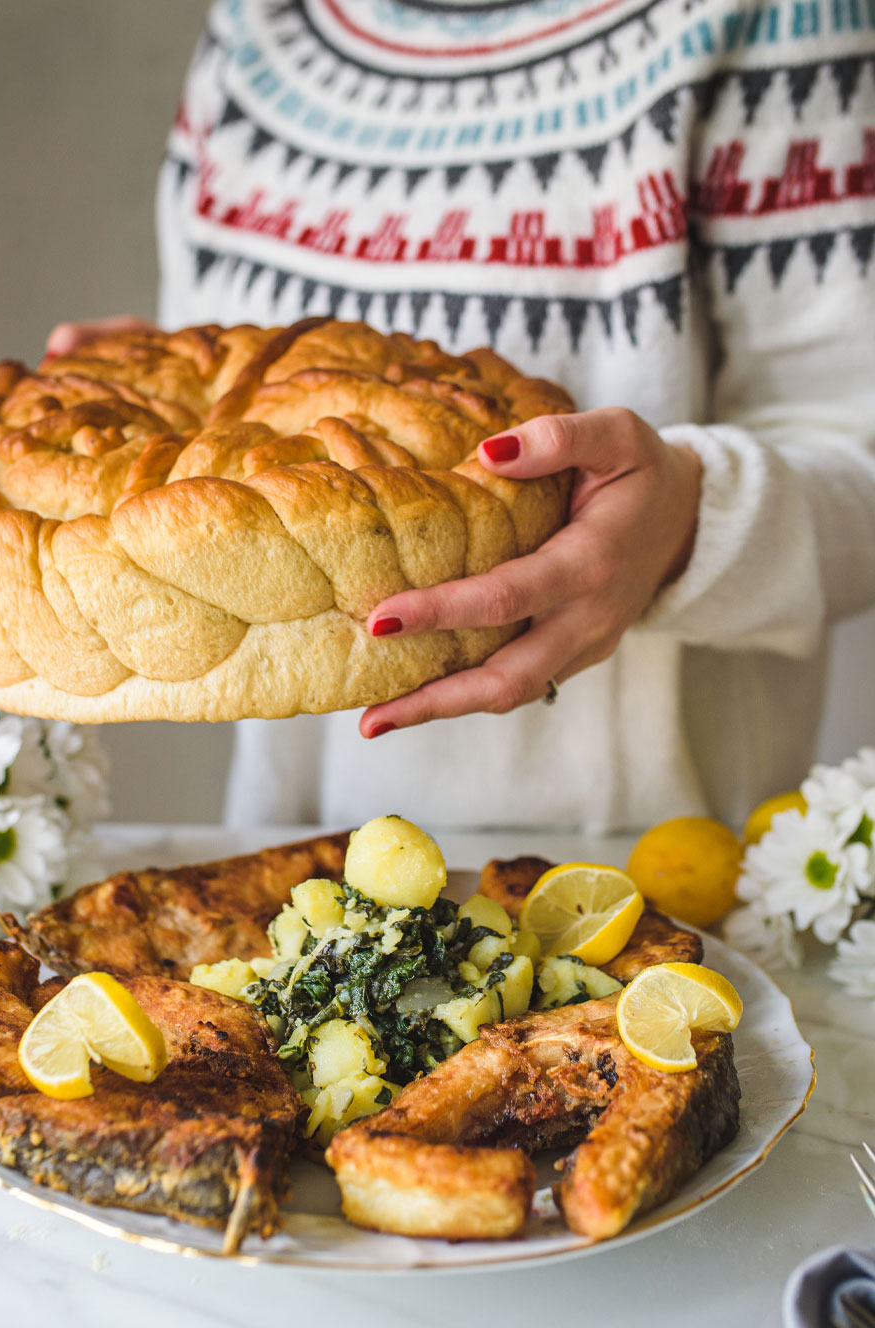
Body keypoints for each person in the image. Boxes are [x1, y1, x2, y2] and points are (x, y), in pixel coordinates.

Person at [48, 0, 875, 834]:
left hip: (646, 876)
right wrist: (163, 395)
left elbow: (862, 468)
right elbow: (237, 406)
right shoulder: (260, 28)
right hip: (296, 854)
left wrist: (689, 522)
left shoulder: (777, 18)